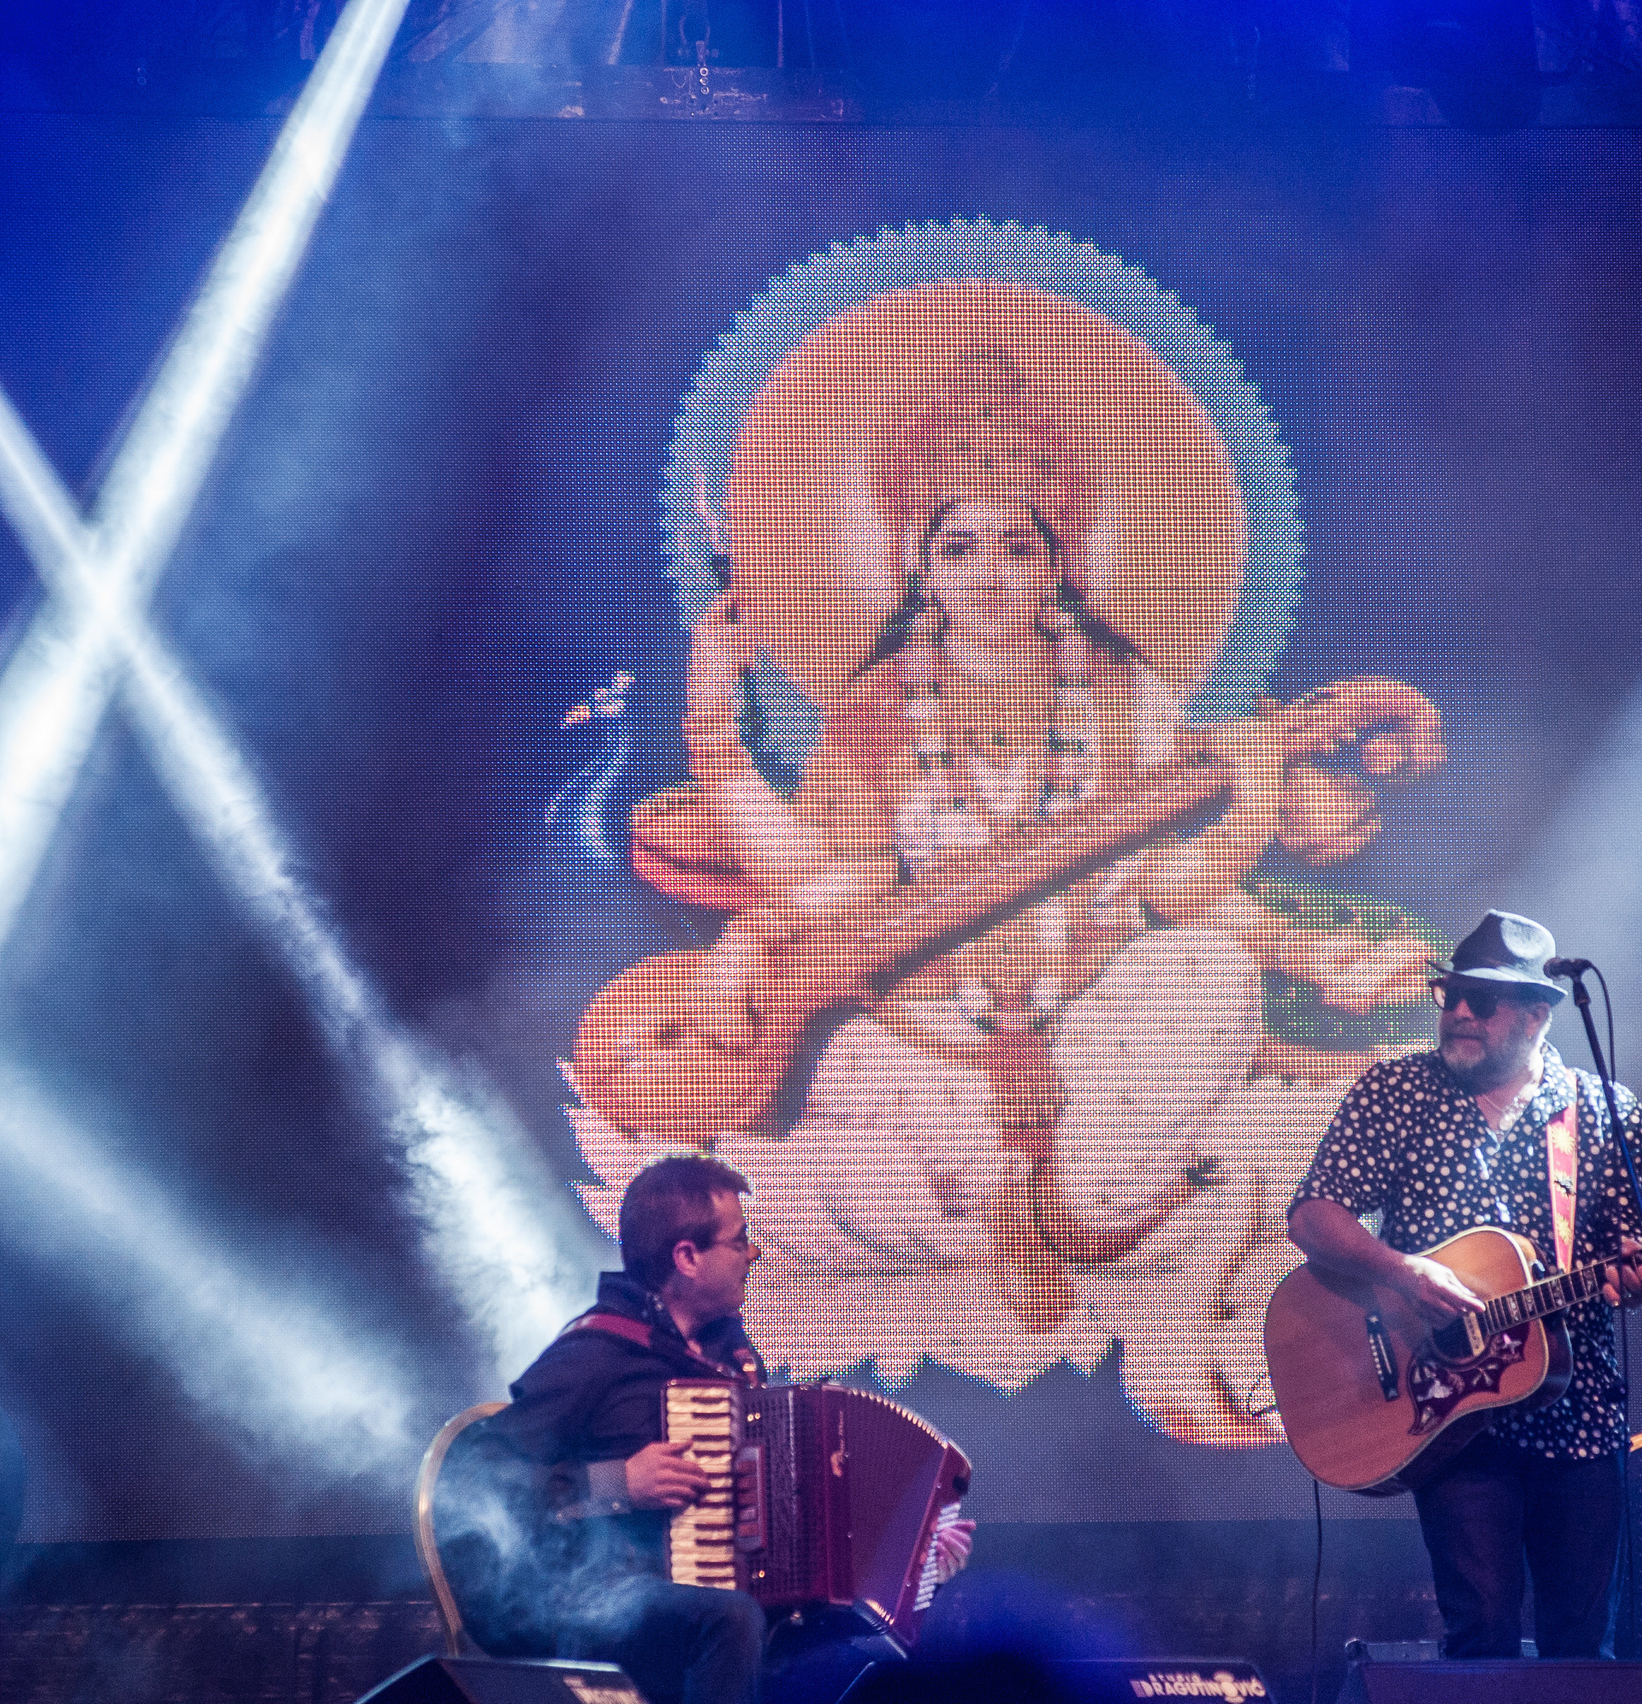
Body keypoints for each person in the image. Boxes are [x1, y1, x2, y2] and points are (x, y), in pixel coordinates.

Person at [577, 314, 1446, 1442]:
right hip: (921, 1031)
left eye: (1017, 546)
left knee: (1209, 978)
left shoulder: (1123, 694)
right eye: (960, 548)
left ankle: (1060, 1208)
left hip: (1089, 1012)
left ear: (1059, 562)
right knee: (825, 1088)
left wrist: (1299, 932)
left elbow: (1170, 892)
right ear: (918, 568)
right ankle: (1074, 1208)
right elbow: (820, 887)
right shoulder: (879, 708)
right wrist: (715, 728)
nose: (990, 573)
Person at [438, 1154, 971, 1704]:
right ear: (688, 1257)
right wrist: (617, 1484)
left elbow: (790, 1509)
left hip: (708, 1609)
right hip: (593, 1606)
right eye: (739, 1241)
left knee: (857, 1642)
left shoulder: (731, 1355)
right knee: (731, 1620)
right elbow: (475, 1478)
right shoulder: (595, 1356)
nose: (754, 1253)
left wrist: (911, 1557)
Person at [1284, 912, 1642, 1659]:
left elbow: (1637, 1261)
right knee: (1483, 1627)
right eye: (1449, 994)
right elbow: (1314, 1215)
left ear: (1536, 1012)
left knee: (1581, 1646)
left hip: (1577, 1408)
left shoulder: (1606, 1113)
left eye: (1479, 1001)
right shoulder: (1396, 1093)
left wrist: (1638, 1277)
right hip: (1449, 1413)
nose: (1457, 1012)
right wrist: (1402, 1270)